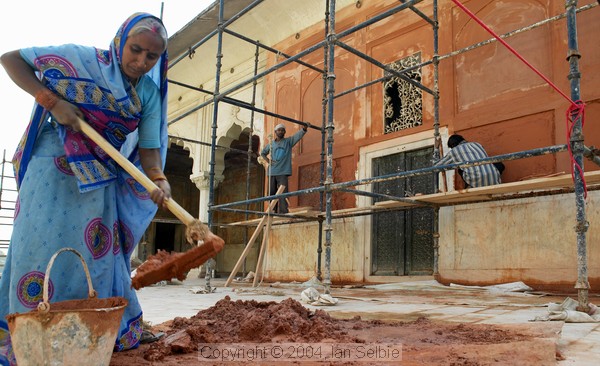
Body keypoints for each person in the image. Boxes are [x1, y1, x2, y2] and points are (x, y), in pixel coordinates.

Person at [0, 13, 173, 363]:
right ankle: (26, 335)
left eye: (151, 57)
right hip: (51, 165)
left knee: (93, 256)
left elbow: (150, 150)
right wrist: (52, 102)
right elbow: (11, 59)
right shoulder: (82, 59)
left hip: (99, 178)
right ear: (120, 41)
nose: (140, 62)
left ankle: (85, 330)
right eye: (135, 50)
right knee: (37, 246)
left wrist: (158, 179)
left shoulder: (149, 95)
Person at [259, 123, 308, 213]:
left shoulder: (288, 142)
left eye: (282, 130)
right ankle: (272, 212)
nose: (281, 131)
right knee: (271, 193)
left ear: (285, 132)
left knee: (283, 193)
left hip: (283, 171)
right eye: (279, 130)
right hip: (272, 172)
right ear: (275, 132)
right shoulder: (271, 144)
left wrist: (304, 129)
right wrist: (268, 160)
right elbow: (263, 153)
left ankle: (283, 212)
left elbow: (297, 136)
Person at [434, 134, 503, 188]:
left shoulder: (455, 151)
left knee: (460, 169)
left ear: (453, 146)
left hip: (477, 182)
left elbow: (436, 167)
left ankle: (471, 186)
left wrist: (436, 148)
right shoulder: (477, 144)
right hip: (494, 178)